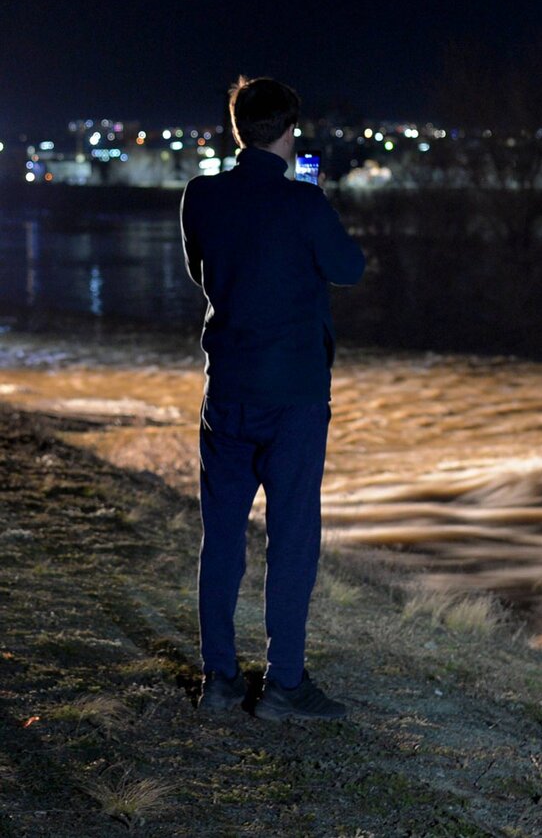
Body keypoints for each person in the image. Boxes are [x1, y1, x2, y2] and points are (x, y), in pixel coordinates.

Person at [181, 76, 365, 720]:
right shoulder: (304, 204)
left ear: (238, 130)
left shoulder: (200, 196)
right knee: (291, 539)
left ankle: (220, 680)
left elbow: (201, 269)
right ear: (290, 131)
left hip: (227, 389)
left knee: (222, 538)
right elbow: (350, 267)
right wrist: (312, 206)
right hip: (293, 397)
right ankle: (285, 685)